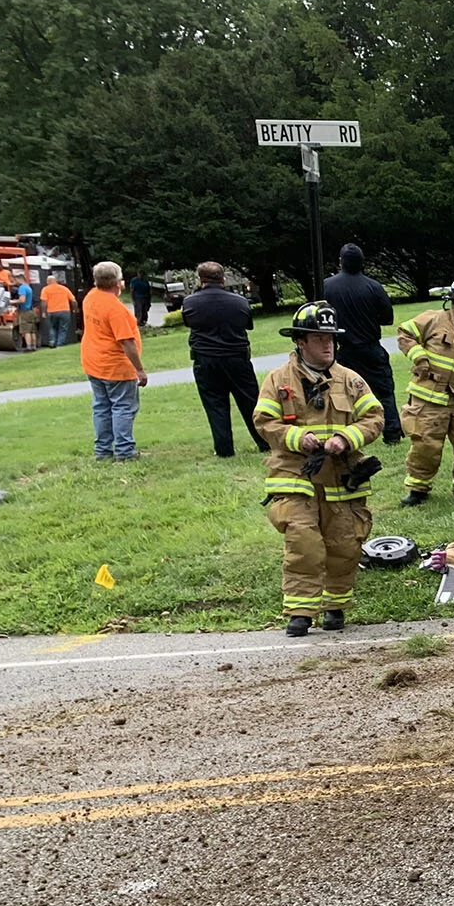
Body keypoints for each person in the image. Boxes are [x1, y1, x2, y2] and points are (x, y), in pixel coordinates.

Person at [250, 302, 385, 636]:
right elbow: (263, 421)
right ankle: (300, 612)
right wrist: (297, 438)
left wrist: (347, 438)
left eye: (331, 338)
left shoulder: (351, 381)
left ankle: (335, 606)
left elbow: (375, 417)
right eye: (318, 338)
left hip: (342, 478)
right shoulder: (278, 381)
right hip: (296, 474)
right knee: (304, 542)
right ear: (300, 341)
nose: (328, 345)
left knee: (344, 545)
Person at [394, 275, 454, 505]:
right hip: (429, 398)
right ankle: (418, 489)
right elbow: (404, 333)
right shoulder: (434, 319)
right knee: (426, 445)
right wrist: (419, 356)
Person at [181, 262, 264, 458]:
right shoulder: (240, 302)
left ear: (200, 280)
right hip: (237, 357)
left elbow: (188, 323)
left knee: (215, 404)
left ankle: (224, 449)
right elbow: (247, 325)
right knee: (250, 401)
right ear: (223, 278)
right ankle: (264, 441)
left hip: (206, 359)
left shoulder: (190, 303)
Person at [322, 243, 403, 445]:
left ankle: (344, 434)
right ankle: (392, 432)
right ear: (362, 263)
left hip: (343, 350)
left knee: (341, 393)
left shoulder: (326, 286)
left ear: (341, 262)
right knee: (384, 392)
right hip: (370, 347)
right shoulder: (373, 287)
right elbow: (387, 318)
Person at [80, 263, 150, 461]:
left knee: (101, 407)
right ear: (119, 282)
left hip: (93, 361)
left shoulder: (91, 297)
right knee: (123, 407)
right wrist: (140, 370)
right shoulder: (116, 309)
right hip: (115, 366)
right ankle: (125, 451)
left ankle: (102, 451)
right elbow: (127, 342)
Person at [41, 275, 75, 347]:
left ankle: (52, 341)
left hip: (52, 311)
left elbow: (44, 302)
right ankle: (60, 344)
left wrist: (43, 312)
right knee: (63, 328)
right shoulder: (64, 289)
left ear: (48, 282)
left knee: (52, 327)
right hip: (64, 311)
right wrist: (75, 308)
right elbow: (73, 300)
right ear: (55, 281)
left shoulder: (45, 289)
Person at [14, 272, 39, 352]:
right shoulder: (28, 287)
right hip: (31, 311)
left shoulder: (22, 288)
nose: (15, 282)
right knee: (32, 330)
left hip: (24, 311)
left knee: (26, 330)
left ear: (19, 279)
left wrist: (11, 302)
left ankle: (28, 347)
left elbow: (22, 300)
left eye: (16, 280)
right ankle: (34, 346)